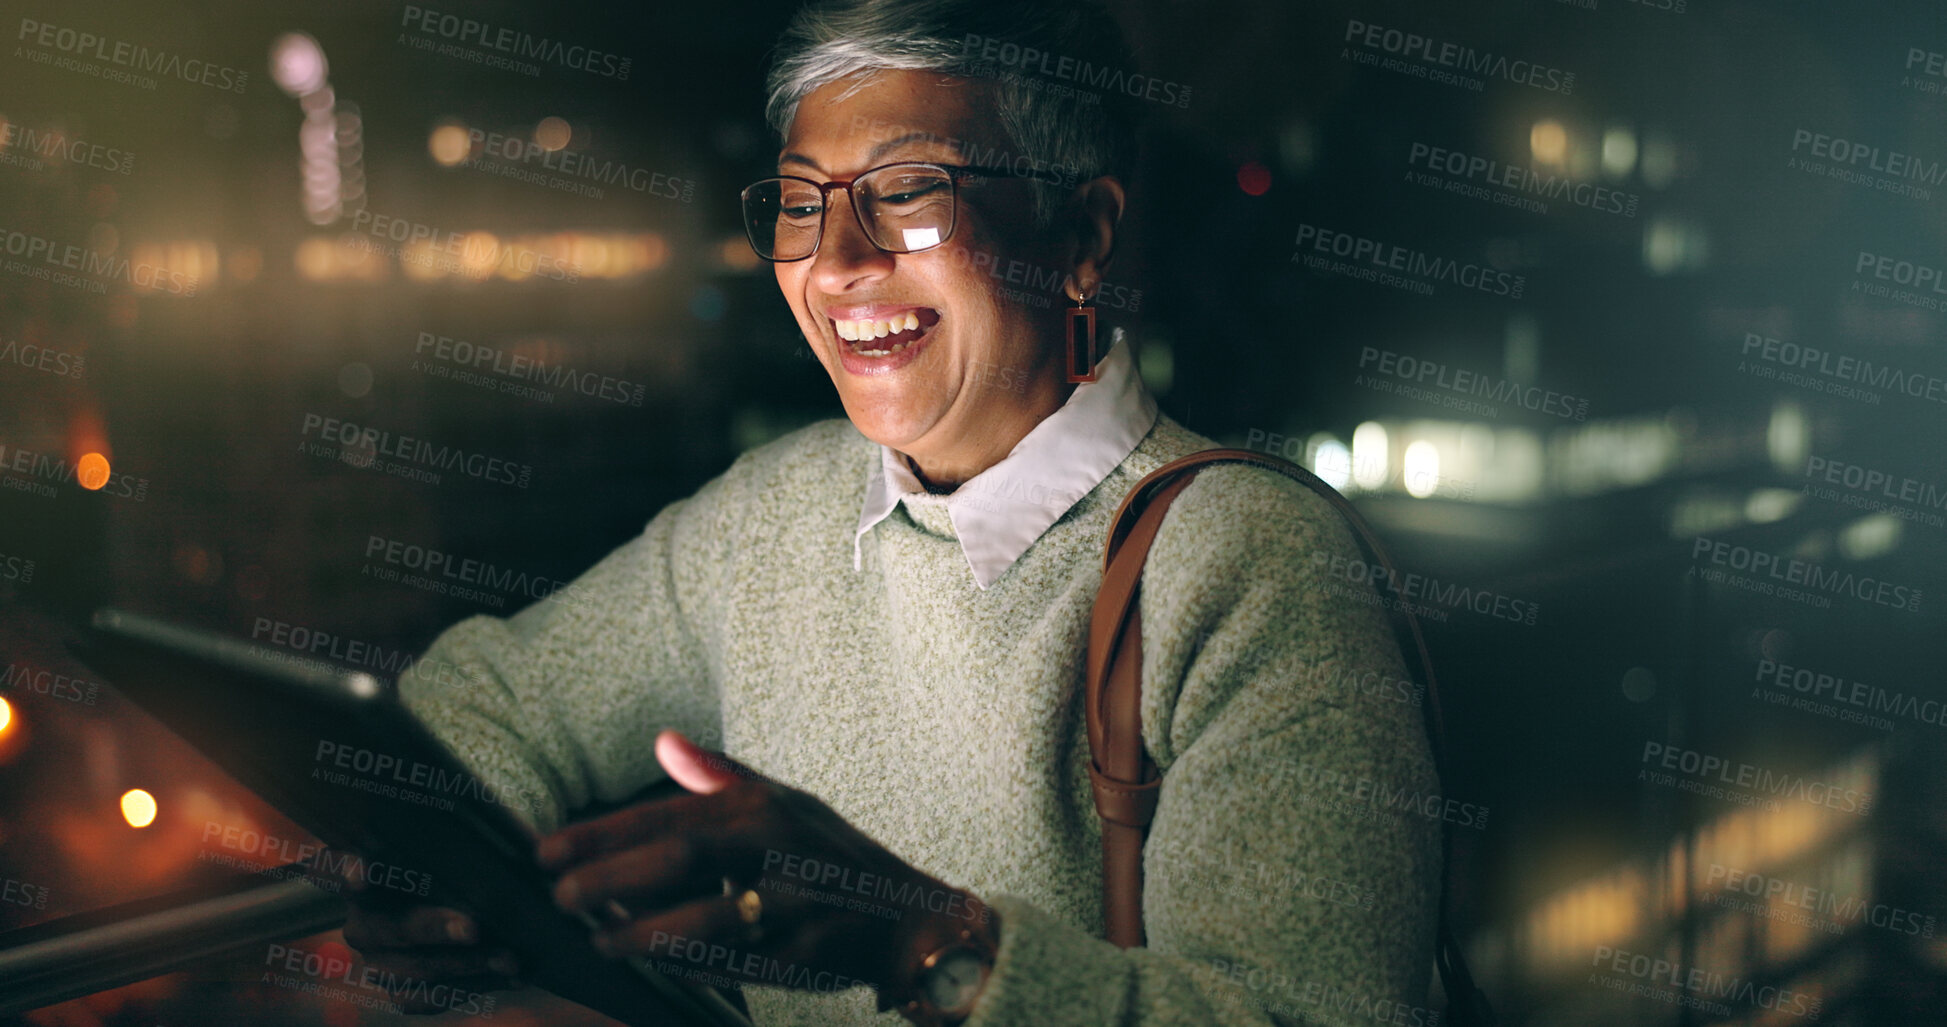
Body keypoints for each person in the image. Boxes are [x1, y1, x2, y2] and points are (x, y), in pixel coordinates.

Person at [342, 0, 1444, 1023]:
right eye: (799, 201)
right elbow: (485, 700)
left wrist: (925, 940)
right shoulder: (771, 517)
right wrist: (423, 869)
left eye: (910, 191)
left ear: (1083, 235)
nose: (836, 263)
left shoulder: (1254, 561)